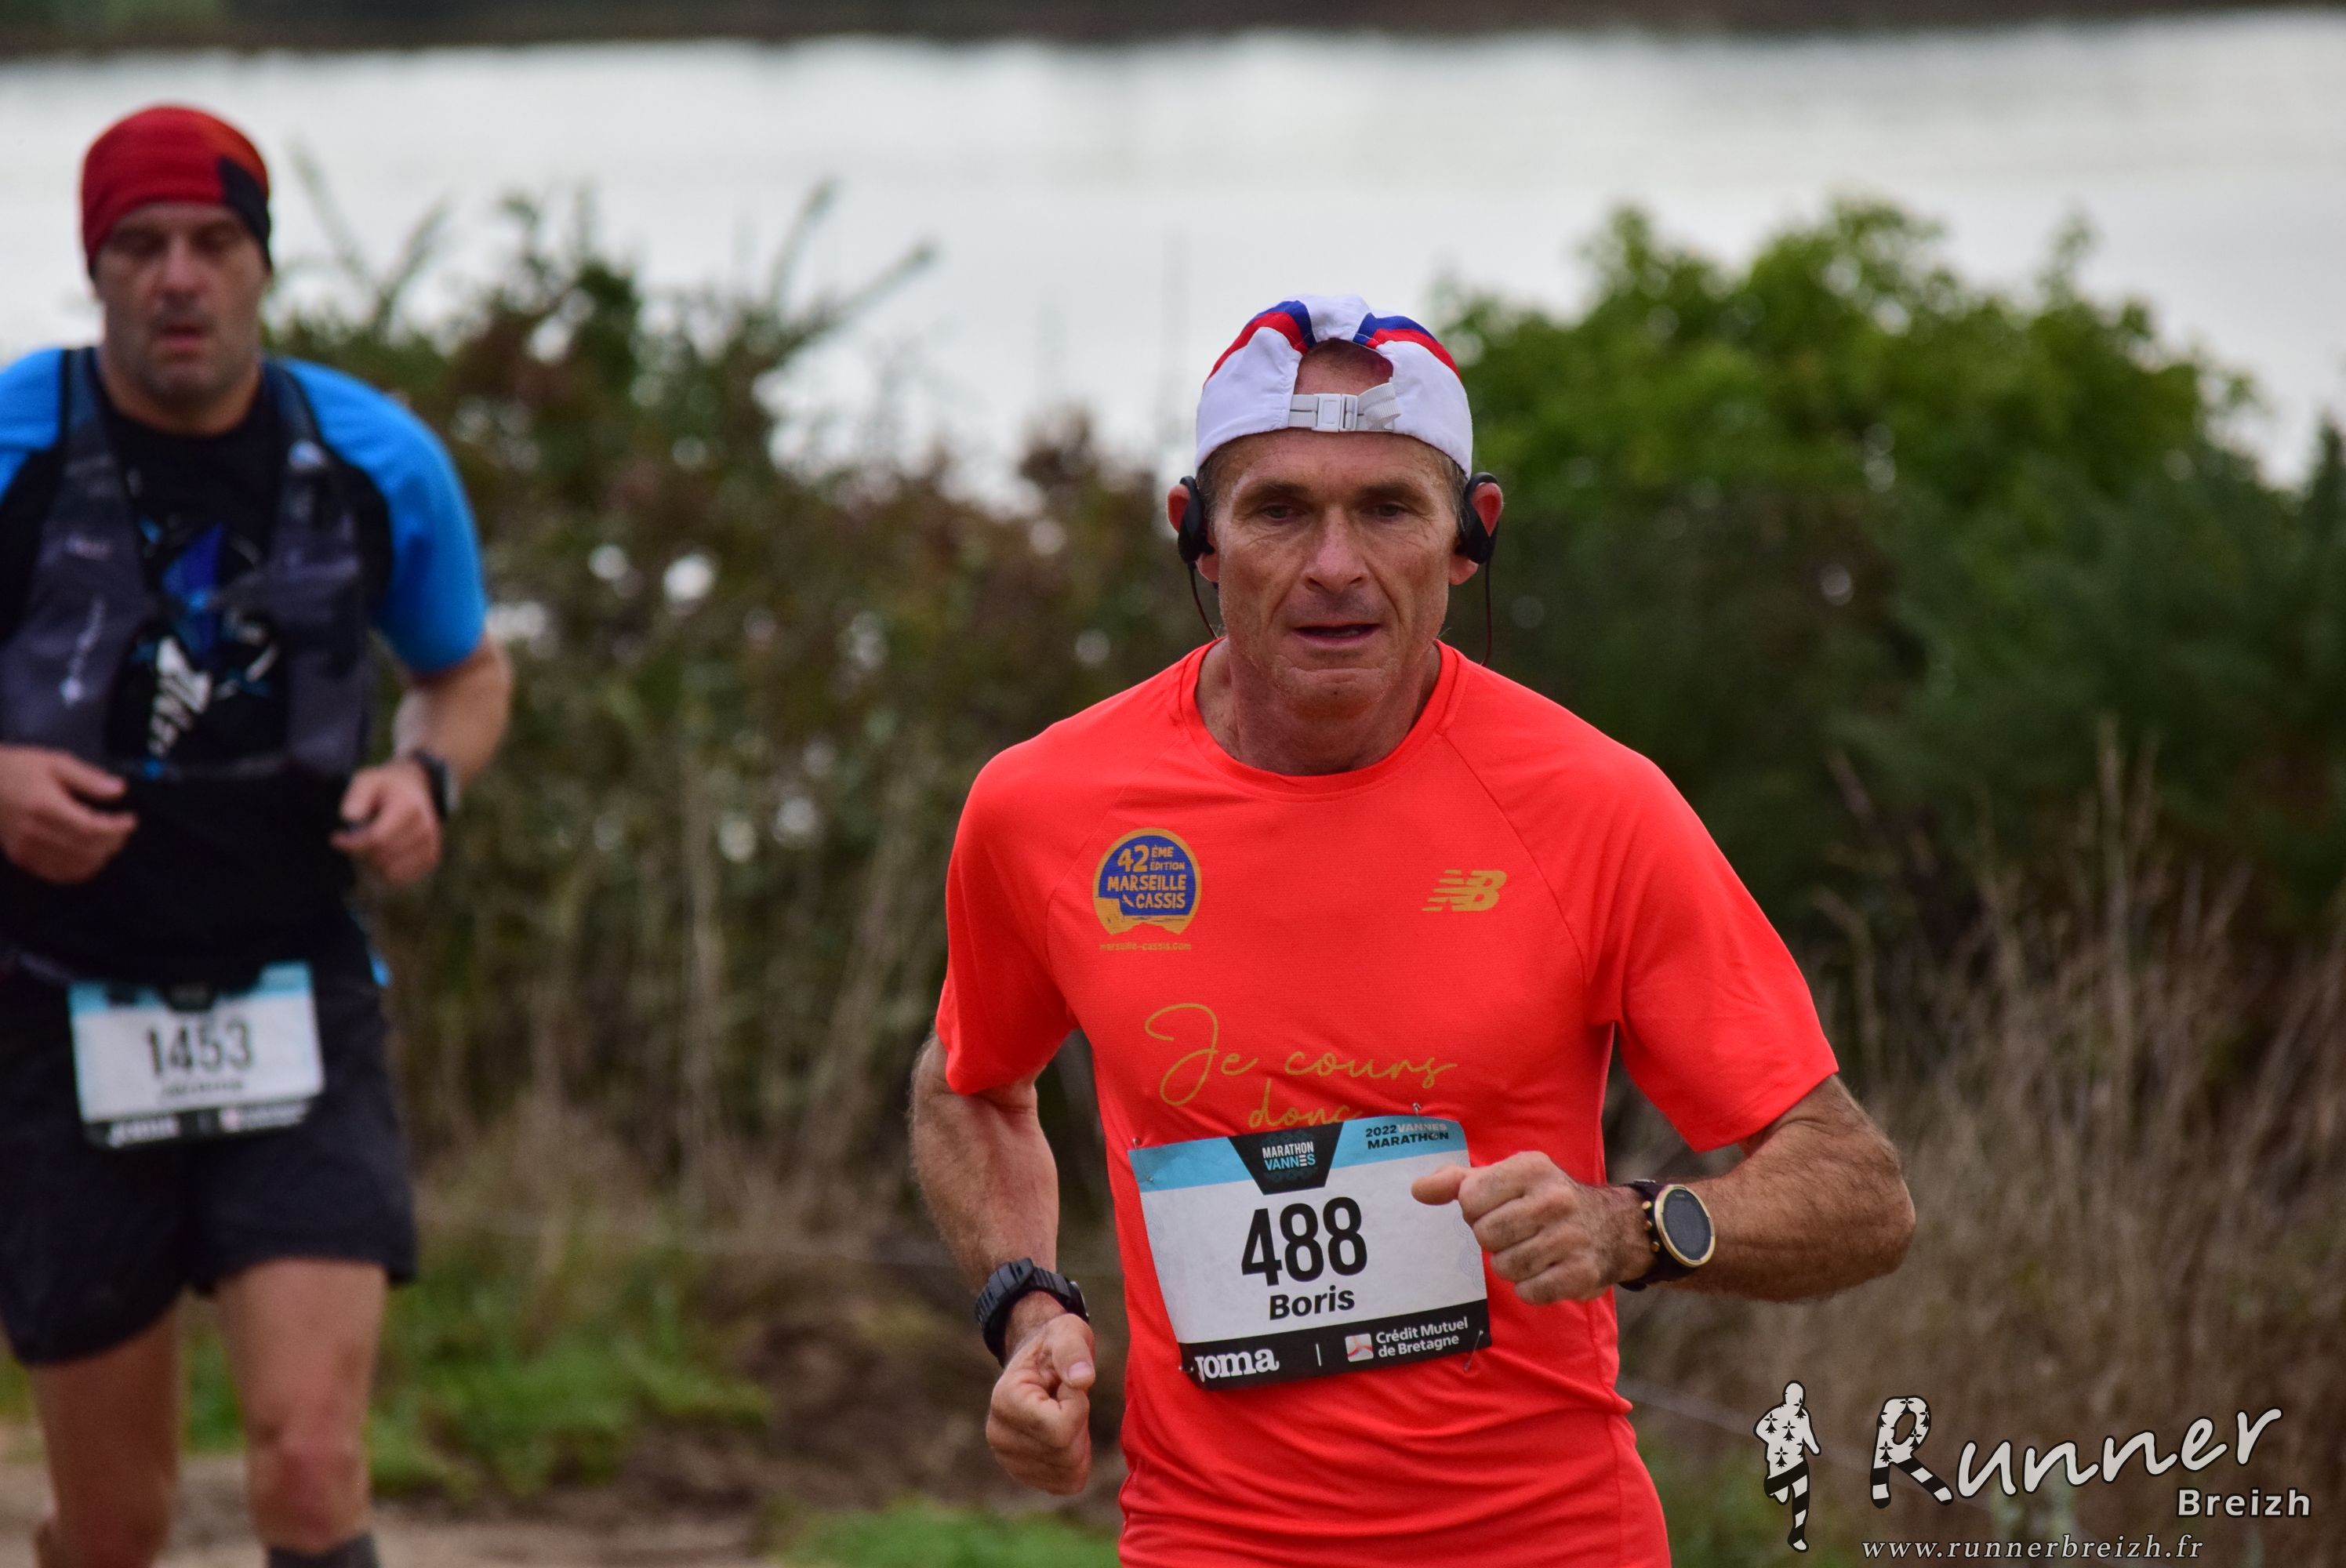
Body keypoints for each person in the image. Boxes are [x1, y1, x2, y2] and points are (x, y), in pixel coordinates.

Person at [910, 295, 1914, 1565]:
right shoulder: (1044, 807)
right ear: (1198, 537)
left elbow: (1859, 1193)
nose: (1336, 564)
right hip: (1208, 1542)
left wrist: (1634, 1229)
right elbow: (971, 1086)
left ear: (1469, 536)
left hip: (1549, 1542)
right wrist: (1027, 1307)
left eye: (1388, 509)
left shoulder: (1597, 808)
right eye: (1280, 511)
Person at [0, 105, 511, 1568]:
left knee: (308, 1460)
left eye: (214, 243)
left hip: (294, 995)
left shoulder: (372, 457)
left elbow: (465, 673)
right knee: (116, 1525)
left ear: (262, 264)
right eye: (142, 247)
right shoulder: (16, 443)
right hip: (52, 1002)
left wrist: (425, 780)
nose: (180, 278)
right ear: (95, 267)